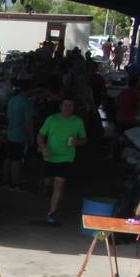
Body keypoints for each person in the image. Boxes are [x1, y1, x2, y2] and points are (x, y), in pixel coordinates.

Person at [37, 97, 86, 226]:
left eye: (71, 105)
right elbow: (40, 135)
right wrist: (43, 147)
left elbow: (84, 139)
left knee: (59, 185)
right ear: (60, 107)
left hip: (66, 157)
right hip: (49, 156)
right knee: (48, 184)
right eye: (66, 105)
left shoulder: (78, 121)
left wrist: (78, 141)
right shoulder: (52, 119)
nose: (68, 108)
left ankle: (52, 212)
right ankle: (49, 194)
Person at [3, 81, 35, 189]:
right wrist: (31, 136)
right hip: (20, 135)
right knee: (16, 160)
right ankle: (14, 183)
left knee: (8, 158)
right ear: (29, 90)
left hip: (10, 132)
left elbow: (7, 116)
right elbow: (28, 122)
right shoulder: (27, 103)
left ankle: (5, 180)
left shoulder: (12, 100)